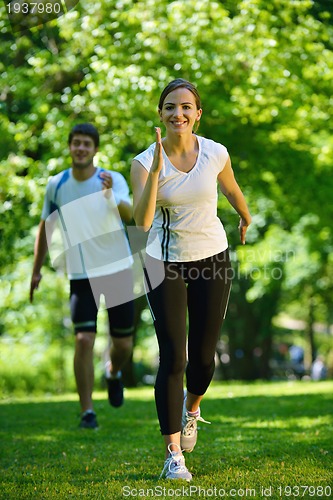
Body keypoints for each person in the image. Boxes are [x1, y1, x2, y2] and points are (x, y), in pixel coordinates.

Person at [131, 79, 252, 480]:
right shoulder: (144, 161)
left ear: (197, 114)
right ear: (160, 114)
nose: (178, 114)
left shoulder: (215, 152)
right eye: (170, 107)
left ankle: (193, 408)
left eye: (186, 107)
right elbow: (142, 221)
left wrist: (245, 215)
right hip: (164, 261)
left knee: (203, 358)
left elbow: (231, 188)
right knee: (174, 357)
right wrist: (156, 173)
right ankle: (173, 456)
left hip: (212, 257)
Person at [30, 123, 135, 429]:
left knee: (124, 345)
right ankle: (87, 411)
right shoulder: (56, 184)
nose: (80, 148)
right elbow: (45, 227)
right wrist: (36, 270)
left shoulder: (111, 179)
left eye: (86, 144)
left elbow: (130, 216)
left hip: (117, 269)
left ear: (95, 149)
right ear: (69, 147)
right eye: (76, 143)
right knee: (83, 339)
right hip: (81, 274)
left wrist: (109, 196)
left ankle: (113, 373)